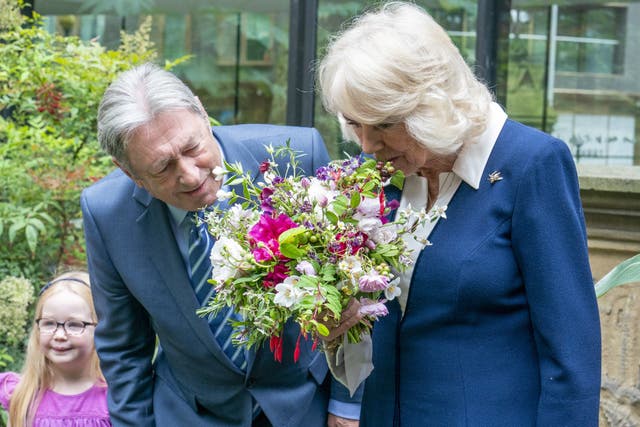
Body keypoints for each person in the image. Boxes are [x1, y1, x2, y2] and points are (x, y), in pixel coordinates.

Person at [317, 2, 602, 426]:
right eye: (355, 124)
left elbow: (571, 356)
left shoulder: (532, 164)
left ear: (432, 103)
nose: (366, 146)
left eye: (383, 124)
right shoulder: (379, 174)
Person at [80, 63, 361, 427]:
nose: (190, 175)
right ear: (129, 172)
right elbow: (123, 350)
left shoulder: (296, 156)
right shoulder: (106, 213)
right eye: (162, 167)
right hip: (189, 412)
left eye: (192, 147)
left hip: (306, 403)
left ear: (201, 110)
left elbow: (353, 290)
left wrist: (347, 405)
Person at [0, 271, 110, 427]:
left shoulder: (113, 397)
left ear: (100, 328)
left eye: (74, 325)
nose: (59, 335)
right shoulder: (24, 394)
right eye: (49, 323)